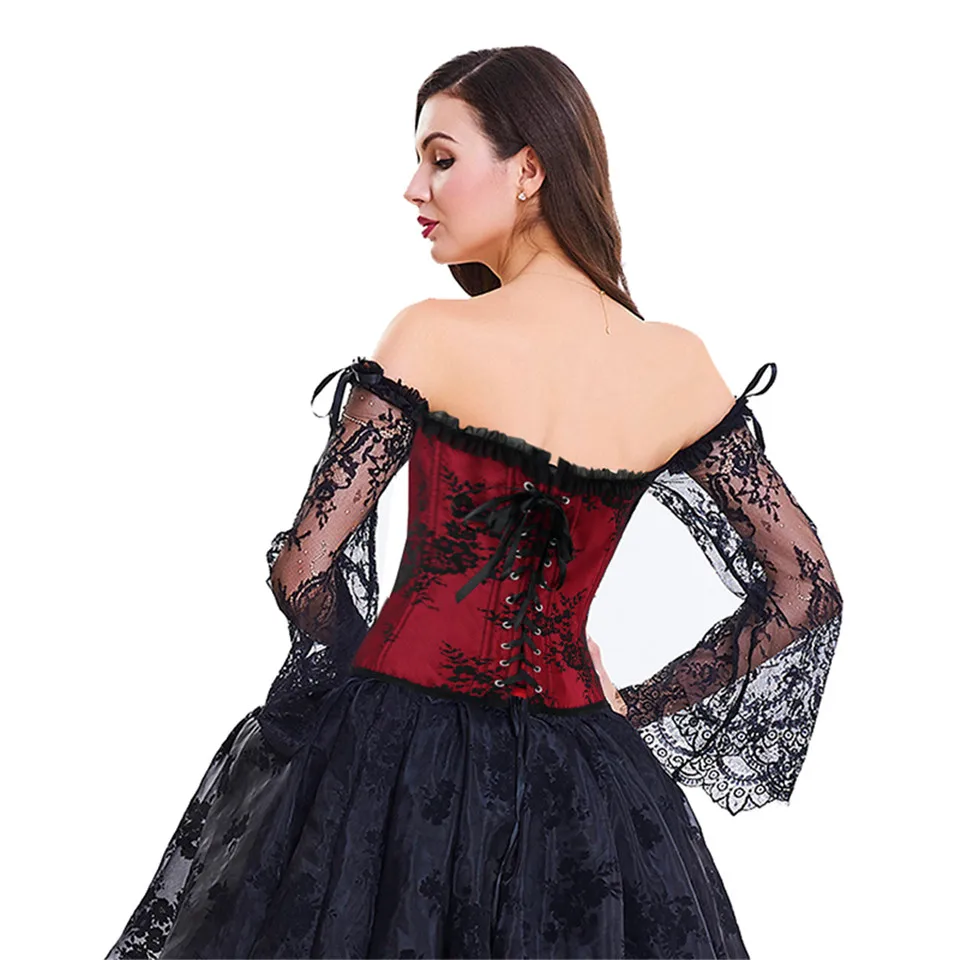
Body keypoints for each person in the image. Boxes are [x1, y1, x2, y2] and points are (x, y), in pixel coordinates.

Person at [104, 45, 843, 960]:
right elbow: (806, 589)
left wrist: (369, 678)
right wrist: (633, 706)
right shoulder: (677, 365)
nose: (415, 188)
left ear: (530, 170)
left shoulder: (432, 335)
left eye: (442, 158)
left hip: (393, 765)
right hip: (586, 783)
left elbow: (303, 569)